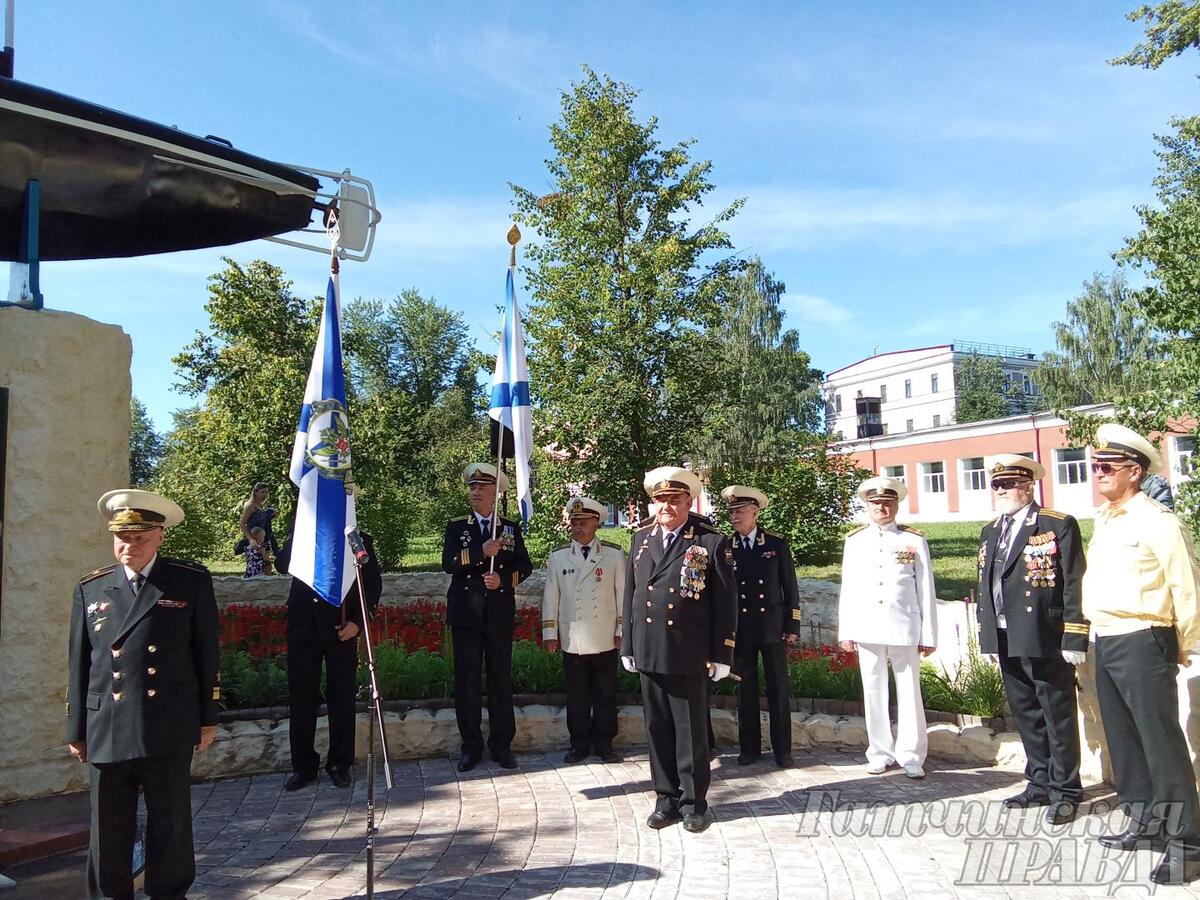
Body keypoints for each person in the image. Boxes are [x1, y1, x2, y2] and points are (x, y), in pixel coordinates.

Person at [67, 489, 220, 900]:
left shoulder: (188, 580)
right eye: (122, 536)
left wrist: (208, 717)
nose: (128, 546)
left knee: (169, 820)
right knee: (108, 825)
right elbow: (80, 663)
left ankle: (169, 893)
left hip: (166, 721)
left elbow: (206, 653)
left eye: (138, 537)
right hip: (107, 723)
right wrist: (75, 729)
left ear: (159, 537)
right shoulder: (92, 588)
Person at [1083, 423, 1200, 885]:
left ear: (1134, 472)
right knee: (1124, 739)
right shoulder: (1106, 518)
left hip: (1144, 636)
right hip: (1106, 636)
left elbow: (1185, 585)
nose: (1098, 474)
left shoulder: (1159, 520)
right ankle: (1146, 821)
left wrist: (1187, 642)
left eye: (1107, 467)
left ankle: (1187, 844)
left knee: (1159, 741)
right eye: (1095, 466)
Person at [622, 466, 737, 833]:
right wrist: (628, 643)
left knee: (689, 731)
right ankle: (665, 799)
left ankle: (693, 802)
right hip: (649, 648)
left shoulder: (708, 542)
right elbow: (631, 595)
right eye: (661, 499)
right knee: (657, 728)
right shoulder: (641, 539)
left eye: (675, 499)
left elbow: (726, 604)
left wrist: (723, 653)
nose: (667, 506)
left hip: (689, 651)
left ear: (690, 501)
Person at [975, 454, 1087, 824]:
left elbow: (1073, 583)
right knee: (1025, 711)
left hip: (1044, 633)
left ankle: (1066, 789)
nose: (1001, 491)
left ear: (1029, 486)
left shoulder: (1056, 524)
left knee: (1056, 712)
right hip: (1006, 634)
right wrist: (987, 631)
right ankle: (1038, 781)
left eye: (1008, 484)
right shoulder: (991, 530)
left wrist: (1075, 635)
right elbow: (986, 584)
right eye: (996, 485)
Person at [837, 476, 936, 779]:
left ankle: (911, 755)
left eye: (888, 502)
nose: (882, 507)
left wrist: (928, 634)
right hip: (867, 626)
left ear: (896, 505)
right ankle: (879, 751)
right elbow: (848, 587)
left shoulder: (913, 539)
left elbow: (926, 588)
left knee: (909, 691)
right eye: (876, 502)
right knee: (873, 691)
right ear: (867, 506)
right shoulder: (855, 541)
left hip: (905, 625)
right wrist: (846, 631)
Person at [441, 462, 533, 771]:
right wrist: (482, 551)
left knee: (499, 680)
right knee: (466, 682)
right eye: (472, 487)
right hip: (467, 614)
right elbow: (449, 563)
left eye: (482, 487)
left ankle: (501, 745)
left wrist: (503, 581)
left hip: (498, 615)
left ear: (495, 492)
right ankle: (471, 747)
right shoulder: (457, 527)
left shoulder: (508, 528)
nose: (476, 491)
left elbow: (525, 565)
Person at [276, 528, 382, 790]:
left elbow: (371, 584)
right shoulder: (303, 532)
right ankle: (303, 767)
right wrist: (301, 527)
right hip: (303, 628)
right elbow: (282, 565)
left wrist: (358, 623)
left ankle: (339, 763)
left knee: (342, 698)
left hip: (340, 629)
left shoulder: (357, 538)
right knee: (302, 699)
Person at [720, 484, 801, 768]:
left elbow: (790, 587)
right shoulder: (725, 547)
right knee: (745, 690)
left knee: (778, 688)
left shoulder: (776, 545)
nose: (734, 517)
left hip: (772, 627)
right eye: (731, 512)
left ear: (755, 512)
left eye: (740, 511)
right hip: (741, 630)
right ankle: (749, 748)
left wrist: (793, 624)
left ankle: (783, 750)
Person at [542, 496, 627, 764]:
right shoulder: (558, 557)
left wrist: (621, 630)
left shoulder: (613, 555)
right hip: (573, 638)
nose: (577, 528)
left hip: (604, 636)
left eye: (583, 522)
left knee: (605, 693)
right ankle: (578, 743)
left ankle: (604, 743)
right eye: (574, 522)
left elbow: (623, 595)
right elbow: (550, 598)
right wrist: (549, 634)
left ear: (596, 524)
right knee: (577, 695)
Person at [239, 482, 279, 558]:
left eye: (267, 492)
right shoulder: (250, 506)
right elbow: (242, 523)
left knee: (266, 565)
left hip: (263, 539)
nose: (265, 494)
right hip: (254, 540)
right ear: (255, 492)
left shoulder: (260, 505)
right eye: (262, 492)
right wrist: (250, 539)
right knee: (258, 566)